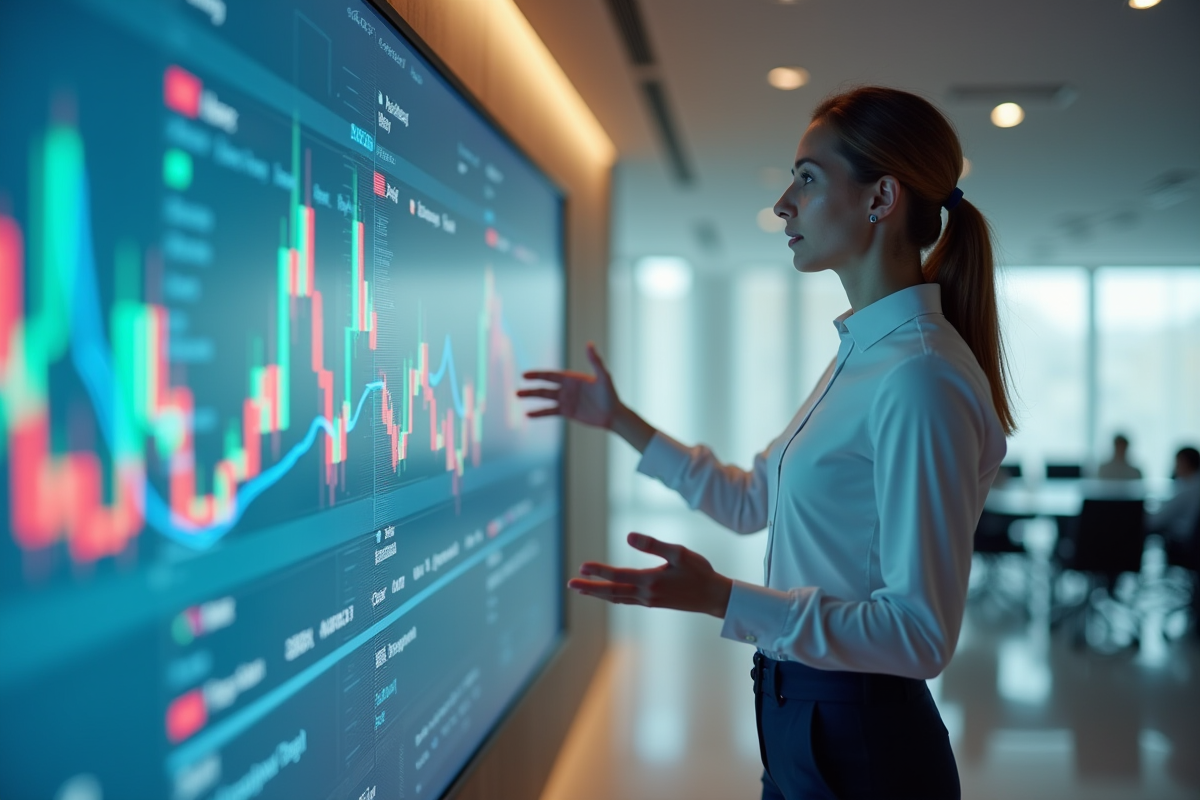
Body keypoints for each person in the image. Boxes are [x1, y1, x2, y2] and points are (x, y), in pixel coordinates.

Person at [518, 86, 1012, 800]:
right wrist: (619, 419)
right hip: (799, 714)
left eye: (807, 179)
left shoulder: (919, 378)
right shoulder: (864, 355)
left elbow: (919, 635)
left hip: (861, 738)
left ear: (881, 199)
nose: (784, 203)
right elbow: (754, 502)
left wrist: (723, 597)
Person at [1148, 446, 1200, 552]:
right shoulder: (1194, 484)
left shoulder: (1187, 489)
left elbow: (1157, 521)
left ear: (1184, 462)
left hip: (1183, 541)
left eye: (1177, 463)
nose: (1175, 468)